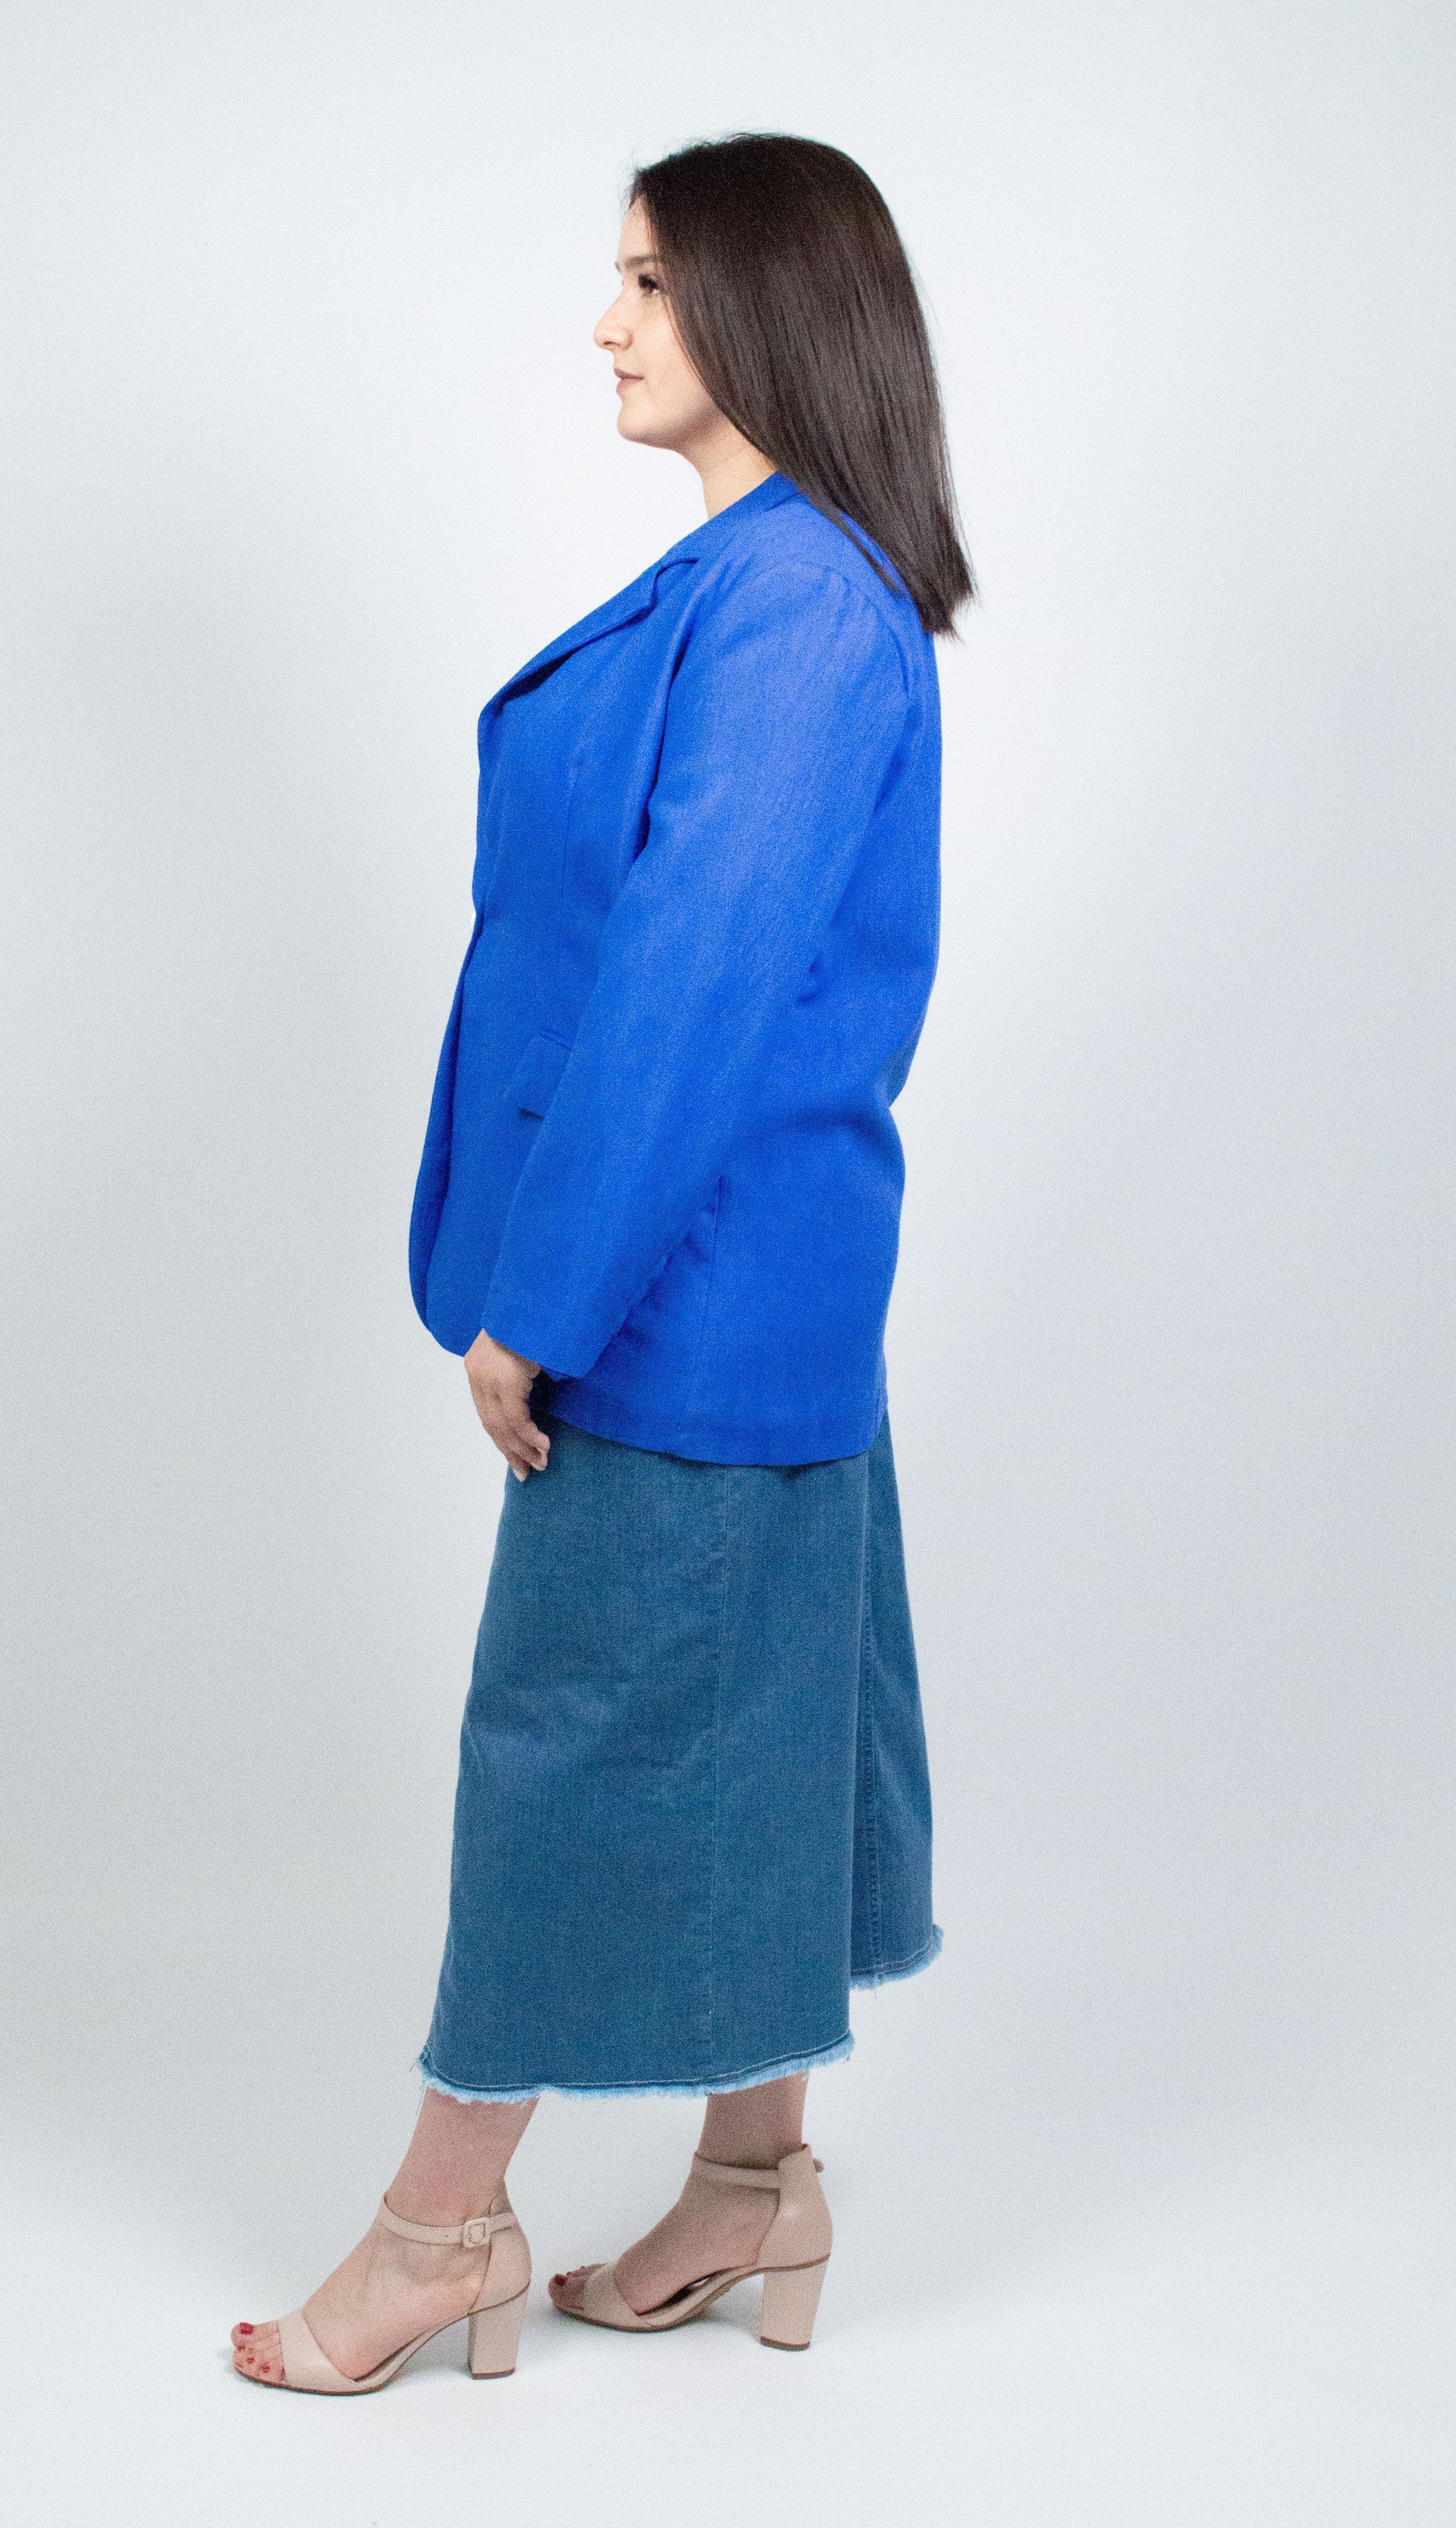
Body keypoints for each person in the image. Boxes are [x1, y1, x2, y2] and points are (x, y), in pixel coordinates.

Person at [232, 129, 973, 2395]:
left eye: (647, 279)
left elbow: (692, 974)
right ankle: (757, 2187)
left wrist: (539, 1304)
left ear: (764, 302)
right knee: (763, 1721)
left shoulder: (797, 600)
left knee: (562, 1753)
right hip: (754, 1285)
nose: (605, 320)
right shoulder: (774, 578)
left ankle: (437, 2228)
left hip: (680, 1290)